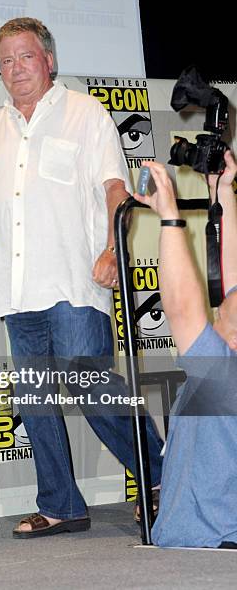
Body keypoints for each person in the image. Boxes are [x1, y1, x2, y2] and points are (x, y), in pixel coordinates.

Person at [0, 17, 163, 538]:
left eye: (25, 56)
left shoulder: (86, 114)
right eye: (6, 60)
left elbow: (116, 188)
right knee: (36, 400)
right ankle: (62, 504)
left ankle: (161, 479)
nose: (16, 68)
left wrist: (114, 247)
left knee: (92, 389)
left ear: (49, 61)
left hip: (74, 284)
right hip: (17, 295)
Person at [134, 151, 237, 548]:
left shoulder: (222, 371)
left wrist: (170, 217)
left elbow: (179, 306)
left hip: (202, 547)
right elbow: (229, 278)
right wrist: (220, 191)